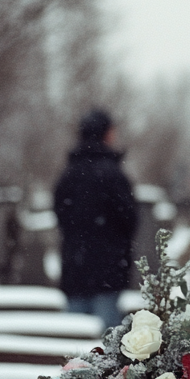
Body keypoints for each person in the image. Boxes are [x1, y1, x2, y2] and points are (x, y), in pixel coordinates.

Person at [54, 109, 138, 329]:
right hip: (108, 271)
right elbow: (129, 219)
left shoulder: (69, 174)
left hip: (75, 269)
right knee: (105, 345)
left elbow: (61, 216)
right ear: (106, 134)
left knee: (74, 343)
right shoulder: (113, 174)